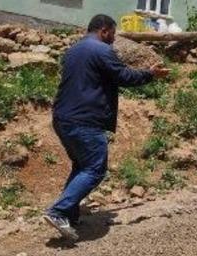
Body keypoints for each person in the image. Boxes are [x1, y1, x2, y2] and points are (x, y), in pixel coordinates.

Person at [43, 14, 169, 242]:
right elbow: (123, 76)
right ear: (104, 30)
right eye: (113, 33)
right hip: (85, 120)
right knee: (95, 169)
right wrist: (150, 74)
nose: (113, 38)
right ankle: (59, 211)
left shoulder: (74, 50)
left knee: (81, 165)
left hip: (62, 118)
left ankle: (69, 215)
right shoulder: (101, 50)